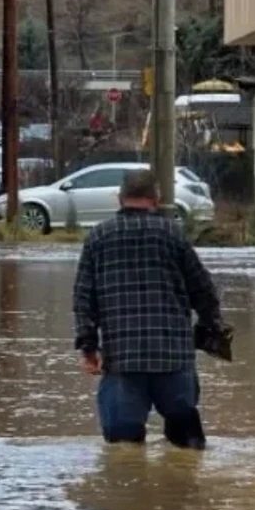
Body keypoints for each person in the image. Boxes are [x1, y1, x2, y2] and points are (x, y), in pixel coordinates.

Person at [72, 169, 223, 450]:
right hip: (173, 358)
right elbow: (203, 290)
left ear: (120, 198)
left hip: (122, 358)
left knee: (122, 451)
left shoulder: (97, 238)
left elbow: (83, 299)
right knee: (187, 447)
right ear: (157, 199)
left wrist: (89, 347)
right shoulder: (173, 234)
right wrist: (211, 326)